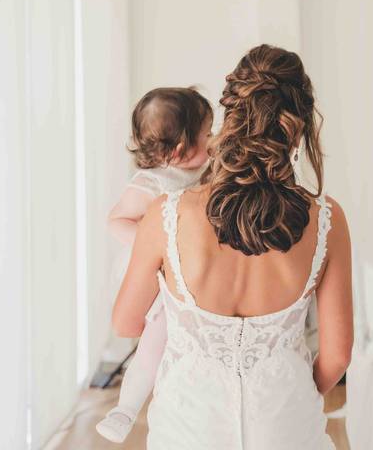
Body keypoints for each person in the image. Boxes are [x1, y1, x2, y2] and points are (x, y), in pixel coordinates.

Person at [112, 45, 353, 449]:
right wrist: (287, 388)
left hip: (190, 426)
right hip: (286, 425)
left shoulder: (165, 214)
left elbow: (125, 324)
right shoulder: (327, 219)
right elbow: (338, 355)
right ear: (298, 127)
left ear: (232, 116)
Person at [96, 87, 213, 443]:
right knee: (156, 336)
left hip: (192, 267)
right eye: (207, 134)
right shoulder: (151, 183)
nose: (212, 140)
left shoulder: (205, 165)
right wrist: (155, 246)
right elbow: (117, 220)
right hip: (158, 273)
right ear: (180, 149)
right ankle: (126, 408)